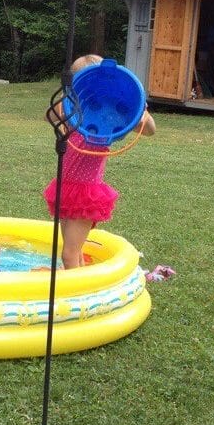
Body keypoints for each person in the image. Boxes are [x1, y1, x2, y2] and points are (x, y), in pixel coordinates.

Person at [43, 55, 156, 269]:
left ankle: (76, 289)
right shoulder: (72, 110)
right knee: (74, 252)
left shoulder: (106, 116)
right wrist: (68, 101)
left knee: (69, 255)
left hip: (85, 194)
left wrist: (141, 112)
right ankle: (82, 282)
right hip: (65, 189)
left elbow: (150, 130)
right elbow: (48, 115)